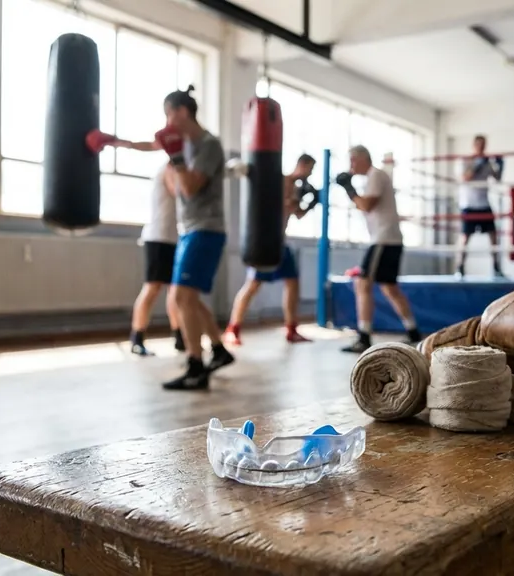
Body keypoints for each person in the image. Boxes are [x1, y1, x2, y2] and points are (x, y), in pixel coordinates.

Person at [155, 86, 235, 390]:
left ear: (182, 111)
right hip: (189, 229)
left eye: (169, 114)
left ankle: (195, 366)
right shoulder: (187, 146)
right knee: (191, 298)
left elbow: (188, 188)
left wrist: (174, 158)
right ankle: (218, 349)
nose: (167, 121)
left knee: (180, 298)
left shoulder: (209, 145)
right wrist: (113, 142)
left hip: (205, 228)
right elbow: (177, 187)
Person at [223, 154, 318, 345]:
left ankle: (291, 329)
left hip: (281, 242)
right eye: (310, 168)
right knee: (252, 285)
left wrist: (312, 202)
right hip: (265, 242)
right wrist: (291, 200)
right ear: (302, 164)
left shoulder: (298, 188)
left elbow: (297, 214)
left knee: (292, 283)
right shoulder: (280, 180)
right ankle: (232, 329)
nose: (310, 173)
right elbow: (275, 205)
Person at [336, 145, 421, 353]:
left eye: (353, 160)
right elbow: (363, 205)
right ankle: (413, 332)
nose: (351, 166)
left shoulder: (376, 175)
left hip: (383, 239)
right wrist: (352, 192)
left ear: (363, 158)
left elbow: (366, 205)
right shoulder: (374, 177)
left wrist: (349, 188)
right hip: (389, 239)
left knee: (362, 284)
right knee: (389, 288)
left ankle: (364, 337)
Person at [128, 164, 184, 356]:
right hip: (158, 237)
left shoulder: (178, 169)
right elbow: (182, 193)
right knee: (153, 287)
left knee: (174, 290)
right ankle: (137, 338)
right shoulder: (170, 169)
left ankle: (179, 338)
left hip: (173, 238)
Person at [455, 135, 505, 278]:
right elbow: (465, 178)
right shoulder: (465, 160)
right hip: (469, 205)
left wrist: (500, 165)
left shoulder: (488, 162)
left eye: (484, 145)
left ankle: (496, 267)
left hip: (484, 204)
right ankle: (460, 268)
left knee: (493, 236)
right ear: (474, 145)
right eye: (479, 145)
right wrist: (477, 164)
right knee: (465, 237)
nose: (482, 148)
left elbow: (497, 178)